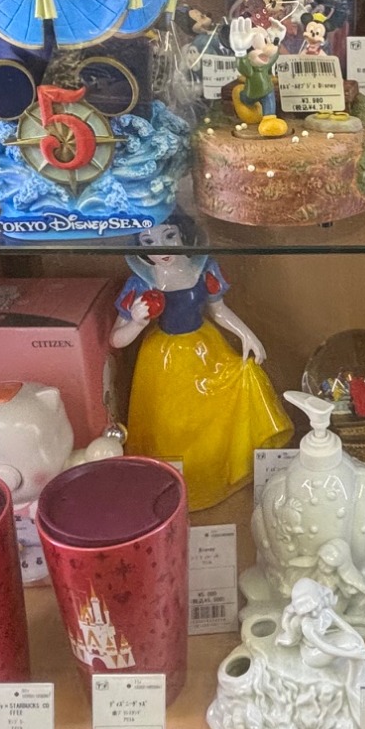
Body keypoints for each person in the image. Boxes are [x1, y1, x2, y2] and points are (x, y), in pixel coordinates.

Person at [110, 217, 289, 510]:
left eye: (169, 236)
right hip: (164, 360)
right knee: (171, 424)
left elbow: (218, 310)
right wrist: (137, 322)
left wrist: (247, 334)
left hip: (204, 348)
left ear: (184, 234)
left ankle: (213, 477)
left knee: (219, 407)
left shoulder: (203, 269)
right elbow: (116, 339)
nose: (161, 247)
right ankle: (177, 483)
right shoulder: (141, 282)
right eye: (149, 241)